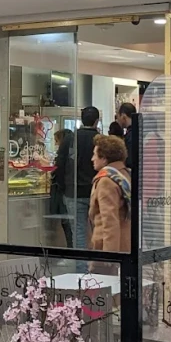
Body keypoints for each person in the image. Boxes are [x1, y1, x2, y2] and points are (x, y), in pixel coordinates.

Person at [89, 134, 132, 262]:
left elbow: (109, 222)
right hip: (126, 244)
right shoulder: (125, 174)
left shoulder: (106, 181)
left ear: (104, 158)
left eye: (95, 155)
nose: (92, 159)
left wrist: (109, 257)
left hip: (106, 248)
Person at [67, 107, 100, 255]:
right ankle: (98, 266)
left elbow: (64, 162)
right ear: (96, 121)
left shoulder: (73, 138)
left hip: (76, 191)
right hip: (96, 190)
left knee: (79, 232)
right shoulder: (100, 140)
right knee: (99, 231)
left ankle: (80, 269)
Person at [51, 129, 75, 247]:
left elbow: (57, 169)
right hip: (70, 191)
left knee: (67, 224)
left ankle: (71, 249)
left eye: (56, 141)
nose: (56, 144)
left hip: (66, 192)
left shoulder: (63, 154)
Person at [116, 102, 137, 169]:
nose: (117, 120)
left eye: (118, 116)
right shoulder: (137, 131)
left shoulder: (131, 135)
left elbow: (130, 160)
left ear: (123, 116)